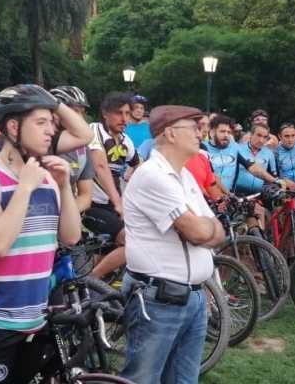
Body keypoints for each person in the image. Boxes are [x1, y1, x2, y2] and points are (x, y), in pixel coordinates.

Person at [0, 84, 82, 383]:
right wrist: (24, 188)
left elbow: (72, 237)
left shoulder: (48, 178)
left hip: (35, 320)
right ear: (13, 126)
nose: (51, 131)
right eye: (41, 122)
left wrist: (64, 185)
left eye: (52, 123)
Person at [120, 105, 225, 384]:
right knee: (143, 379)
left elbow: (217, 230)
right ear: (169, 134)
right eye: (192, 127)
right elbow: (199, 232)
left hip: (192, 296)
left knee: (183, 379)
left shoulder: (185, 176)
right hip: (159, 298)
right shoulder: (153, 175)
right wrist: (201, 228)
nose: (199, 131)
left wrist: (202, 228)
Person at [86, 92, 142, 280]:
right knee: (130, 240)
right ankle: (90, 282)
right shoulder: (93, 130)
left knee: (108, 249)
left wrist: (132, 177)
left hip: (113, 206)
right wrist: (119, 203)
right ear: (105, 113)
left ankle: (96, 288)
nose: (124, 118)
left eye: (127, 113)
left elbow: (139, 166)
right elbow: (100, 166)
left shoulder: (126, 141)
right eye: (119, 113)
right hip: (90, 205)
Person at [206, 115, 288, 193]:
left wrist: (275, 180)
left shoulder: (235, 148)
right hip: (208, 198)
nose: (226, 135)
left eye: (228, 132)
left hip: (228, 199)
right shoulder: (202, 148)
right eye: (222, 131)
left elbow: (252, 167)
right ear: (212, 132)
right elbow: (210, 177)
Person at [50, 85, 98, 213]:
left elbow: (86, 196)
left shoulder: (82, 149)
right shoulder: (43, 141)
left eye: (82, 112)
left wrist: (65, 216)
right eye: (74, 112)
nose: (80, 118)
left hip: (65, 215)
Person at [234, 123, 279, 195]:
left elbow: (274, 176)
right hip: (238, 194)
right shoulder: (238, 149)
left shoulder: (269, 153)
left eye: (265, 137)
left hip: (259, 195)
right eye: (258, 135)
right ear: (251, 135)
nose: (261, 140)